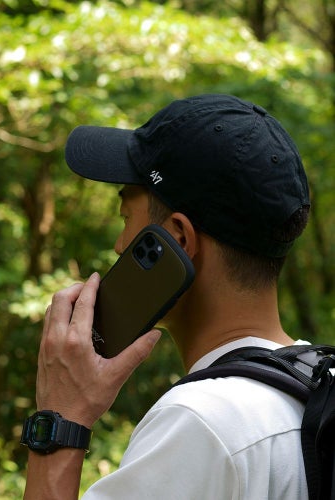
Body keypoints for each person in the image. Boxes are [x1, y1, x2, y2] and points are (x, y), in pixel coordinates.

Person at [21, 94, 311, 499]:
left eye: (127, 219)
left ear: (177, 240)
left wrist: (60, 418)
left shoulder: (200, 425)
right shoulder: (316, 386)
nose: (120, 245)